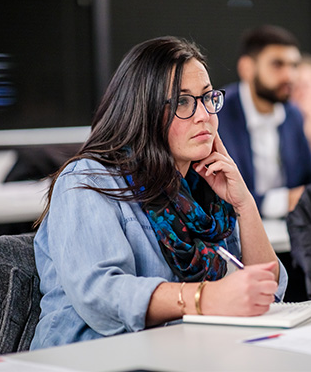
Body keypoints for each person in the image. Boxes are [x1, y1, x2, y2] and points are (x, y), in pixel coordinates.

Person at [30, 36, 287, 350]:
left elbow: (268, 290)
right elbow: (101, 293)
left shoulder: (202, 189)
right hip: (91, 356)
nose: (204, 115)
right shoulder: (87, 179)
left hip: (185, 351)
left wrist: (244, 204)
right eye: (182, 102)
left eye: (208, 98)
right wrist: (204, 299)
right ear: (144, 110)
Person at [218, 25, 311, 219]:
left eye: (293, 66)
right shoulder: (218, 115)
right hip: (235, 232)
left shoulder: (293, 114)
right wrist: (285, 200)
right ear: (247, 68)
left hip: (289, 229)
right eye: (277, 65)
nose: (289, 76)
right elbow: (220, 195)